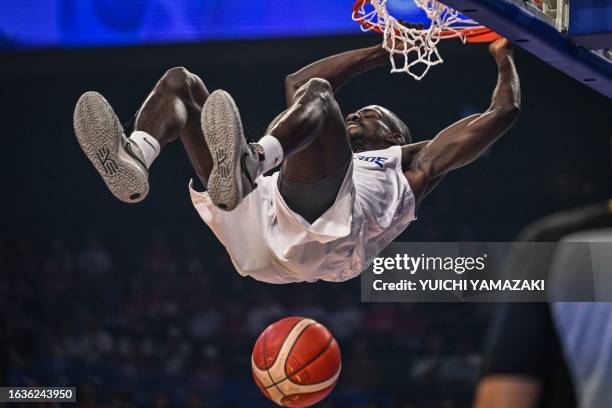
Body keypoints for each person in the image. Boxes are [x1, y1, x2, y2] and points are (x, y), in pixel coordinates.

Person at [73, 38, 520, 283]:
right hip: (256, 209)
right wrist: (391, 46)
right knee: (181, 83)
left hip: (326, 238)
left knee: (318, 98)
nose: (357, 113)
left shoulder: (414, 164)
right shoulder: (312, 142)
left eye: (371, 116)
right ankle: (137, 156)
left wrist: (504, 57)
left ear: (394, 136)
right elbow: (300, 80)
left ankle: (250, 162)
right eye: (357, 112)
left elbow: (503, 113)